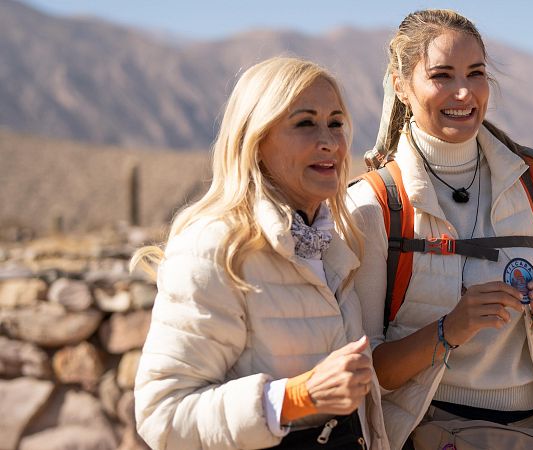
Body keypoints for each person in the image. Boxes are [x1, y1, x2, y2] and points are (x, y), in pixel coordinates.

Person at [347, 9, 533, 449]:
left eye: (476, 74)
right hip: (430, 432)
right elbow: (367, 369)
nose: (463, 92)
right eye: (442, 75)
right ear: (401, 87)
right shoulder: (373, 203)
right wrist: (449, 329)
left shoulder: (532, 180)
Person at [132, 56, 389, 450]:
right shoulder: (216, 246)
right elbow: (162, 415)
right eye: (305, 123)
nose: (330, 142)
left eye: (336, 123)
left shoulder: (334, 243)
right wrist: (295, 398)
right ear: (255, 139)